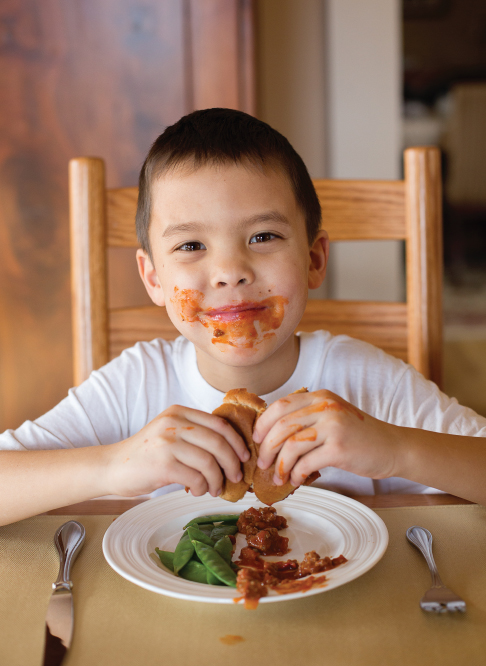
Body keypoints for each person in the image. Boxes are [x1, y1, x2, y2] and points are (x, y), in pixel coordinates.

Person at [1, 108, 485, 527]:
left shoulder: (365, 382)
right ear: (152, 278)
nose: (231, 272)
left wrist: (396, 449)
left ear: (314, 260)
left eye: (263, 237)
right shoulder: (134, 384)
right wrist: (111, 466)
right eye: (191, 245)